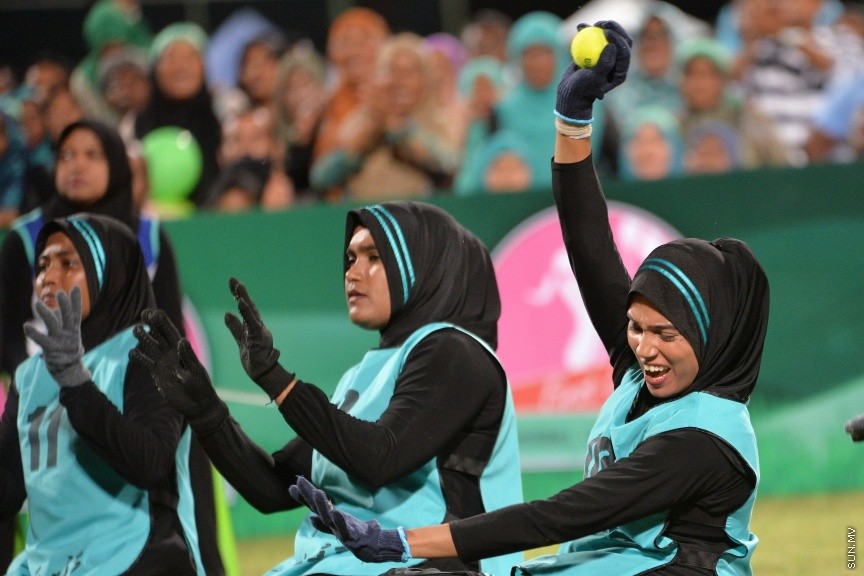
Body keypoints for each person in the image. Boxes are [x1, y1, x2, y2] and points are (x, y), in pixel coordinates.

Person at [288, 20, 770, 576]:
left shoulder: (702, 437)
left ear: (709, 337)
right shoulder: (642, 369)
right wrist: (573, 119)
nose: (644, 347)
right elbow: (589, 246)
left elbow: (561, 516)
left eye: (666, 334)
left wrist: (403, 541)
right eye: (637, 328)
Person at [131, 200, 525, 576]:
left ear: (427, 265)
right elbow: (273, 489)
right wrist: (206, 412)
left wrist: (276, 380)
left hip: (435, 566)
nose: (352, 272)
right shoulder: (362, 375)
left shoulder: (457, 353)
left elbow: (382, 458)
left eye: (374, 257)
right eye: (351, 258)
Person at [0, 119, 225, 575]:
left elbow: (149, 463)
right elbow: (6, 490)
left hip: (131, 557)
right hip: (52, 563)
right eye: (42, 265)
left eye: (68, 263)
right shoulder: (30, 376)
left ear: (109, 273)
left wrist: (74, 381)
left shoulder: (147, 359)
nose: (48, 278)